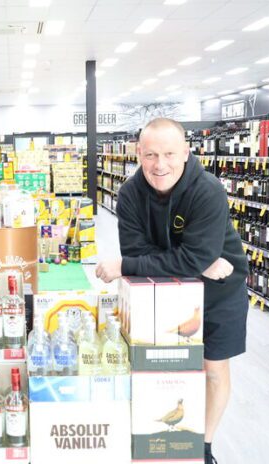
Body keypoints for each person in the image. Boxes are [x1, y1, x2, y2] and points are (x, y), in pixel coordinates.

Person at [95, 117, 249, 464]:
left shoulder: (207, 190)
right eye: (150, 155)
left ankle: (204, 447)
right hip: (161, 293)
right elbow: (138, 251)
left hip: (219, 292)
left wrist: (132, 264)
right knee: (160, 369)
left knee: (213, 370)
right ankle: (158, 441)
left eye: (168, 154)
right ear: (138, 153)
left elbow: (137, 259)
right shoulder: (129, 194)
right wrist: (195, 262)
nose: (159, 164)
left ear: (186, 152)